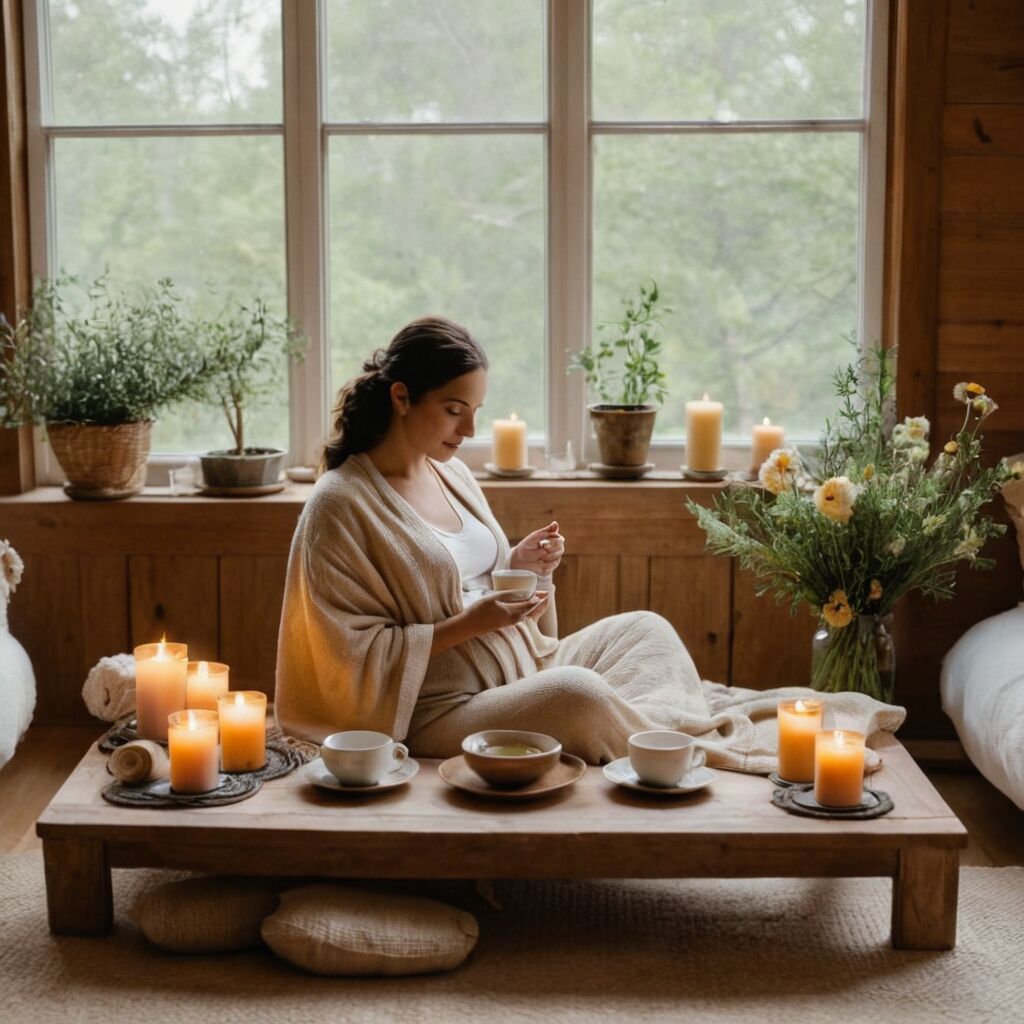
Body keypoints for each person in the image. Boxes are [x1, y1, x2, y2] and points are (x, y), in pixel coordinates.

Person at [274, 316, 903, 766]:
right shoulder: (341, 503)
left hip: (517, 663)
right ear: (402, 397)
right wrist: (473, 624)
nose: (470, 429)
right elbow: (341, 654)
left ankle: (661, 730)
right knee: (575, 695)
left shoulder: (452, 472)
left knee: (645, 629)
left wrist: (520, 567)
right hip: (436, 708)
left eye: (475, 409)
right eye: (454, 409)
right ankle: (681, 744)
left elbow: (469, 578)